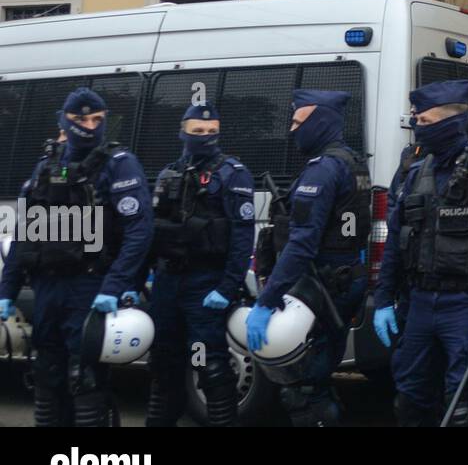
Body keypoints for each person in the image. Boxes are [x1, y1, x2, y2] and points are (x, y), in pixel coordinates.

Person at [0, 88, 152, 426]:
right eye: (81, 119)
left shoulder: (118, 164)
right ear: (64, 121)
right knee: (46, 377)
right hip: (47, 287)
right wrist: (7, 292)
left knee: (84, 378)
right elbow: (26, 234)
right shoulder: (47, 167)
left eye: (97, 119)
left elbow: (139, 232)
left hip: (90, 284)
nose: (90, 125)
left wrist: (114, 286)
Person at [372, 81, 468, 427]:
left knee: (462, 406)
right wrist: (381, 300)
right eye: (416, 121)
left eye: (424, 121)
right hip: (419, 301)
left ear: (449, 122)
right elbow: (395, 240)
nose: (417, 129)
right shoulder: (413, 173)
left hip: (465, 303)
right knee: (410, 398)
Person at [246, 90, 369, 427]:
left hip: (323, 284)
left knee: (302, 386)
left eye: (299, 122)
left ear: (321, 121)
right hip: (344, 279)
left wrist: (267, 299)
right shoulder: (353, 161)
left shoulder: (323, 169)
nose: (291, 130)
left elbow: (302, 244)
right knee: (319, 377)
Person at [146, 102, 254, 427]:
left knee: (208, 365)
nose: (205, 138)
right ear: (183, 132)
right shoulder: (169, 173)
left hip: (205, 285)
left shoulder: (232, 174)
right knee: (164, 365)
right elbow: (152, 231)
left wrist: (228, 285)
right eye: (198, 132)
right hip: (167, 284)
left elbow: (241, 237)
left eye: (211, 132)